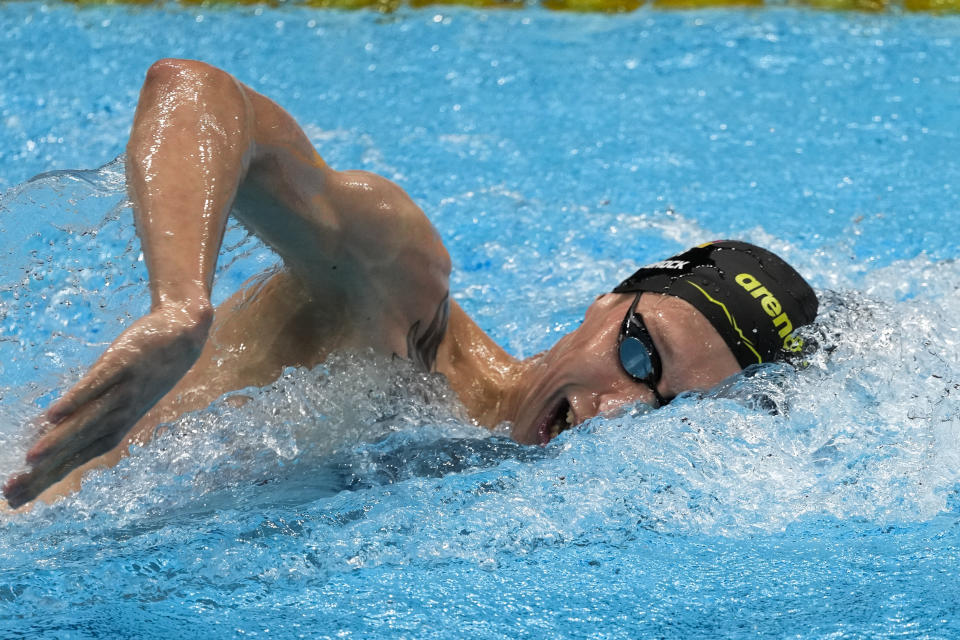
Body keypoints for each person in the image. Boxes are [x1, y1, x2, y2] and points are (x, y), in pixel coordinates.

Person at [1, 59, 818, 510]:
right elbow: (197, 91)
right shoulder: (399, 300)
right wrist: (179, 301)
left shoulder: (507, 490)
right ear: (607, 302)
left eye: (666, 408)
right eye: (640, 358)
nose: (617, 410)